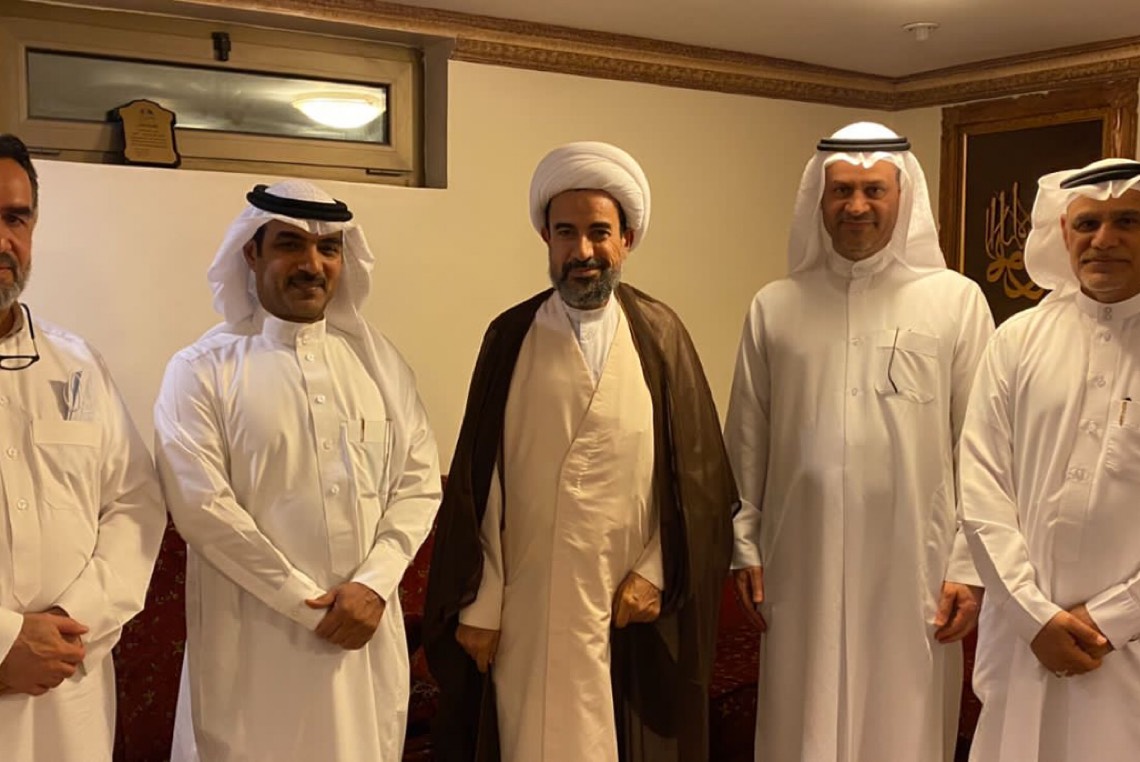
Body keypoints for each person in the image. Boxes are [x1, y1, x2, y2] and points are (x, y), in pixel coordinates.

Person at [423, 141, 736, 762]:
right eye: (566, 232)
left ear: (627, 240)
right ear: (546, 237)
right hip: (528, 604)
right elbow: (482, 484)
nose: (583, 251)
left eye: (599, 233)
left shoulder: (661, 336)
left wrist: (658, 571)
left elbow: (700, 481)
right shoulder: (510, 336)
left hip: (629, 608)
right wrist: (482, 603)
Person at [725, 122, 995, 761]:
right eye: (841, 190)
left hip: (915, 563)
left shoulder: (955, 302)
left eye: (874, 190)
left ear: (905, 198)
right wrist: (744, 545)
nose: (856, 206)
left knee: (903, 722)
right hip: (800, 557)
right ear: (817, 200)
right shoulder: (775, 306)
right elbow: (747, 438)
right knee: (801, 719)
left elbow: (982, 446)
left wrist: (968, 564)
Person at [154, 180, 442, 762]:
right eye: (290, 244)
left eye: (329, 248)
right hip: (253, 650)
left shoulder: (379, 365)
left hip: (363, 642)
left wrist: (373, 584)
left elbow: (418, 483)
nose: (313, 264)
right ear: (251, 253)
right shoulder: (201, 371)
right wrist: (307, 605)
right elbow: (203, 510)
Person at [960, 158, 1140, 761]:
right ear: (1063, 232)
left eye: (1127, 222)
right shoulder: (1017, 341)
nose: (1104, 240)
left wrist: (1113, 619)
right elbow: (981, 488)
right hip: (1023, 644)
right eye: (1088, 224)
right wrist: (1030, 615)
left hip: (1129, 653)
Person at [0, 133, 165, 761]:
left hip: (69, 689)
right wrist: (5, 643)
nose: (3, 240)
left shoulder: (77, 364)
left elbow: (134, 503)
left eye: (16, 218)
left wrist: (73, 620)